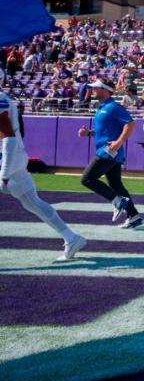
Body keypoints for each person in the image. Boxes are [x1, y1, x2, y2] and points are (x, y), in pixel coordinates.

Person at [1, 91, 86, 260]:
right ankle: (71, 237)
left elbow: (8, 137)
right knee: (31, 202)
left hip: (8, 157)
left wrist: (4, 174)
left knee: (31, 201)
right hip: (13, 157)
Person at [79, 79, 142, 228]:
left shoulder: (113, 107)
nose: (93, 89)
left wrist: (119, 142)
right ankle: (134, 216)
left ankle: (119, 201)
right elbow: (105, 131)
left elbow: (130, 124)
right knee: (116, 184)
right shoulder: (102, 107)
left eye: (96, 87)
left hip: (109, 151)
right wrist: (89, 133)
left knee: (87, 179)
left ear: (106, 90)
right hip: (110, 151)